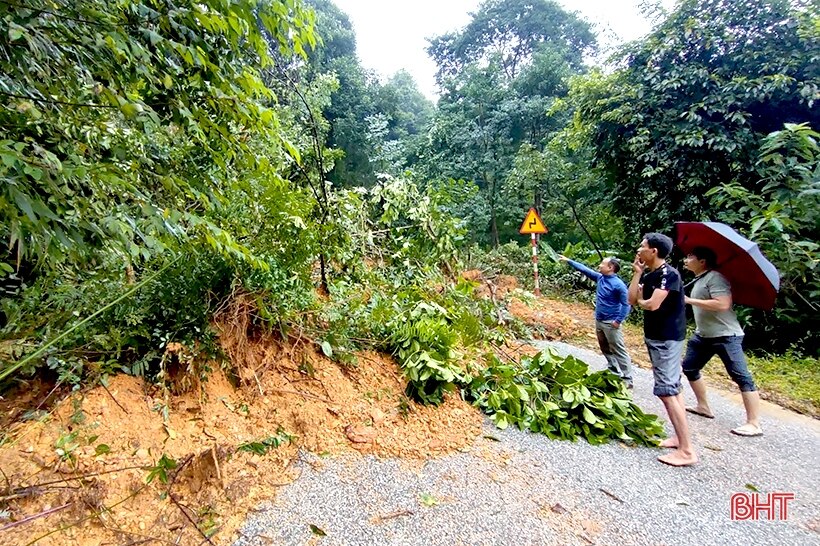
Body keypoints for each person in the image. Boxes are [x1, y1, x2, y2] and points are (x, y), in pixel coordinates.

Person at [628, 233, 697, 467]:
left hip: (667, 339)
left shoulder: (669, 274)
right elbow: (631, 299)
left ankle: (687, 451)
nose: (639, 250)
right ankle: (679, 437)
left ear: (654, 251)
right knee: (674, 388)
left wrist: (641, 300)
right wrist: (637, 274)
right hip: (656, 337)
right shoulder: (650, 274)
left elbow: (651, 304)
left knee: (667, 391)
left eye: (643, 246)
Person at [681, 246, 762, 436]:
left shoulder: (716, 277)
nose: (686, 259)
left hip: (726, 335)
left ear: (702, 261)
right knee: (690, 368)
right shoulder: (700, 278)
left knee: (741, 376)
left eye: (690, 257)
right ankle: (703, 406)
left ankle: (754, 423)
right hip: (704, 335)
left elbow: (723, 304)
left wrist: (689, 301)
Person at [558, 254, 633, 388]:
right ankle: (613, 371)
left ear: (610, 267)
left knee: (618, 349)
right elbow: (585, 270)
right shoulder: (601, 278)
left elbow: (627, 304)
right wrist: (569, 260)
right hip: (599, 320)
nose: (599, 266)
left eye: (602, 264)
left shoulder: (618, 285)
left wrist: (618, 321)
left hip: (611, 322)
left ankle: (627, 378)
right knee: (604, 347)